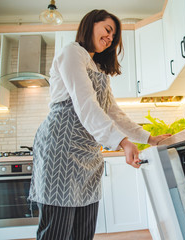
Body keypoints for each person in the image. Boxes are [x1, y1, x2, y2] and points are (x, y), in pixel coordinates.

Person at [28, 9, 171, 240]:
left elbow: (113, 112)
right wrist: (123, 142)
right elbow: (85, 104)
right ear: (91, 24)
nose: (110, 38)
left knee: (83, 231)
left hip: (88, 155)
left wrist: (148, 138)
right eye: (107, 30)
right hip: (61, 151)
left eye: (114, 36)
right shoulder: (71, 53)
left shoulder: (97, 68)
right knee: (57, 232)